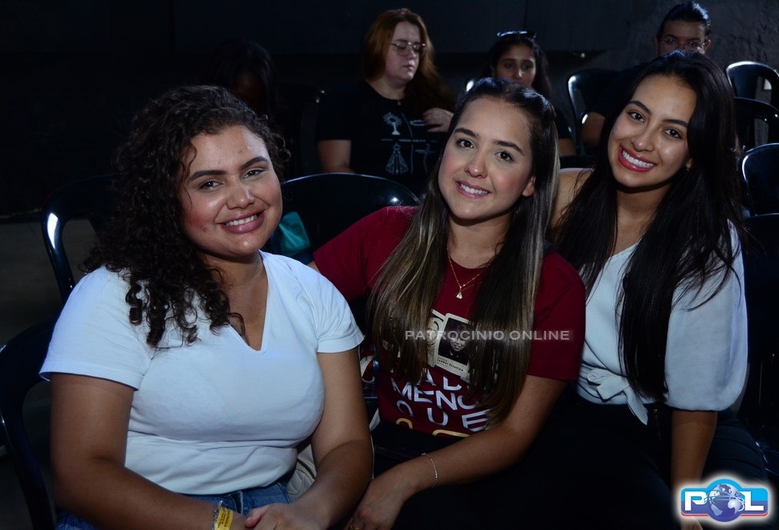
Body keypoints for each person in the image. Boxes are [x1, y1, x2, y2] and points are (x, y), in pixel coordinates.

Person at [40, 85, 372, 529]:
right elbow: (80, 475)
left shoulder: (313, 292)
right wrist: (226, 525)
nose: (242, 197)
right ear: (167, 201)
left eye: (254, 171)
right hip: (137, 512)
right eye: (209, 183)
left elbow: (348, 444)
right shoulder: (114, 295)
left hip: (271, 507)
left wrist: (311, 512)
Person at [311, 77, 586, 529]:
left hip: (490, 469)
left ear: (531, 182)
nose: (475, 167)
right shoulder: (386, 232)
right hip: (382, 444)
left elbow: (515, 433)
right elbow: (295, 306)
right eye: (465, 142)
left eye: (504, 155)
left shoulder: (556, 285)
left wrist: (406, 480)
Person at [539, 51, 768, 529]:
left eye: (672, 132)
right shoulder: (563, 196)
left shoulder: (706, 240)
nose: (641, 141)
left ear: (694, 154)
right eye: (637, 115)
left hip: (693, 425)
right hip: (586, 418)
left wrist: (687, 509)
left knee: (740, 518)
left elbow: (696, 394)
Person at [316, 8, 455, 195]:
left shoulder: (436, 99)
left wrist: (457, 127)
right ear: (378, 46)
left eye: (416, 47)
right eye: (401, 46)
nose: (411, 54)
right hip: (371, 205)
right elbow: (335, 169)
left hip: (430, 205)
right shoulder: (343, 101)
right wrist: (384, 200)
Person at [581, 1, 712, 150]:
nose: (680, 51)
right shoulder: (632, 79)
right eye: (671, 41)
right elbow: (590, 130)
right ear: (658, 42)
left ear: (705, 47)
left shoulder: (712, 90)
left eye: (692, 44)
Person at [484, 30, 577, 158]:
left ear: (536, 71)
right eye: (509, 65)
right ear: (493, 69)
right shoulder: (478, 110)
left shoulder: (550, 113)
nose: (518, 74)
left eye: (526, 67)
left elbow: (568, 160)